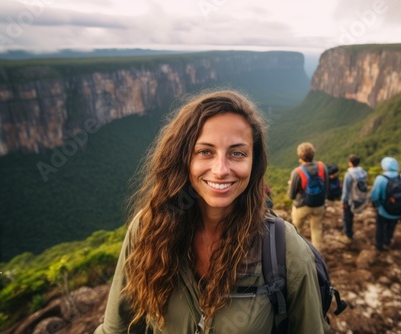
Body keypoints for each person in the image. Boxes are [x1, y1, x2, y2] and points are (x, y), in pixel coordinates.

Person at [94, 90, 329, 333]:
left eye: (237, 153)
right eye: (205, 151)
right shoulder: (148, 230)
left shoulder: (284, 247)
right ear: (182, 157)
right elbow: (116, 329)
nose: (220, 170)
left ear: (254, 162)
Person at [287, 142, 329, 251]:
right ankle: (317, 255)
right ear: (313, 154)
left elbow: (291, 195)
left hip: (302, 206)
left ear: (300, 156)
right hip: (319, 205)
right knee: (316, 229)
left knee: (297, 229)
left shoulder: (297, 172)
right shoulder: (322, 167)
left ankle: (299, 252)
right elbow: (327, 186)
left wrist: (291, 184)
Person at [369, 156, 401, 252]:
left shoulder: (381, 179)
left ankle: (379, 245)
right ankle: (388, 241)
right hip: (399, 209)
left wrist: (378, 204)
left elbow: (374, 196)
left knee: (380, 227)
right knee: (392, 226)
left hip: (384, 210)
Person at [339, 154, 368, 243]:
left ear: (350, 163)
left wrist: (343, 202)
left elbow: (346, 190)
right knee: (350, 217)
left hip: (350, 200)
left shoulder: (349, 175)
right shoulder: (363, 172)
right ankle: (349, 233)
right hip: (360, 198)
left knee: (347, 218)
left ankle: (348, 236)